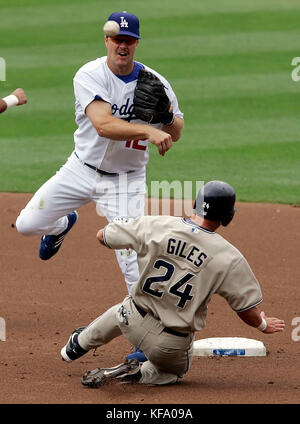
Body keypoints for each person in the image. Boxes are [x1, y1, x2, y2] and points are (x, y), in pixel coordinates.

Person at [15, 14, 183, 297]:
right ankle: (61, 225)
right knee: (26, 225)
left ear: (137, 44)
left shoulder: (156, 83)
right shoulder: (89, 75)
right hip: (80, 170)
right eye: (118, 39)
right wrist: (147, 131)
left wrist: (166, 117)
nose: (123, 46)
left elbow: (176, 131)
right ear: (107, 40)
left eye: (129, 41)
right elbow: (103, 125)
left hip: (125, 183)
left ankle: (144, 331)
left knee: (133, 262)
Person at [60, 180, 285, 387]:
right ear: (228, 217)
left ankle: (77, 345)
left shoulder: (158, 224)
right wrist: (262, 325)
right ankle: (139, 372)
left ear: (195, 205)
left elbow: (102, 236)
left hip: (132, 318)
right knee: (174, 372)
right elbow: (246, 310)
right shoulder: (230, 257)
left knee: (122, 310)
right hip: (168, 345)